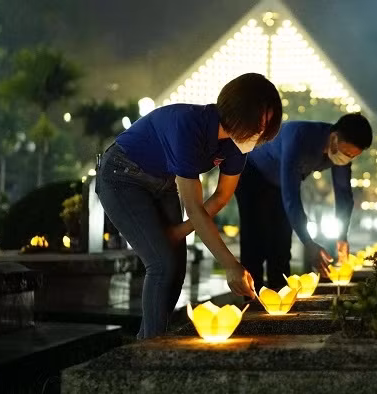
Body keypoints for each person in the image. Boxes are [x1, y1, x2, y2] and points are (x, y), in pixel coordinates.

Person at [96, 73, 282, 339]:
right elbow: (194, 208)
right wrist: (230, 264)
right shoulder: (188, 126)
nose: (260, 133)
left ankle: (148, 341)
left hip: (162, 183)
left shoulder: (236, 146)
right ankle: (153, 350)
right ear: (239, 114)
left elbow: (220, 197)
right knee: (161, 265)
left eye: (266, 127)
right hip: (121, 176)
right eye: (259, 124)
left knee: (176, 269)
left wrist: (176, 233)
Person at [235, 113, 373, 291]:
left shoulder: (341, 154)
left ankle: (279, 295)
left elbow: (344, 194)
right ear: (334, 137)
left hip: (279, 183)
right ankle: (252, 300)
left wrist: (342, 237)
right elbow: (291, 196)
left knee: (282, 243)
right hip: (252, 173)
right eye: (346, 153)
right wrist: (309, 243)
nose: (346, 159)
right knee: (255, 239)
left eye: (352, 157)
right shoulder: (299, 137)